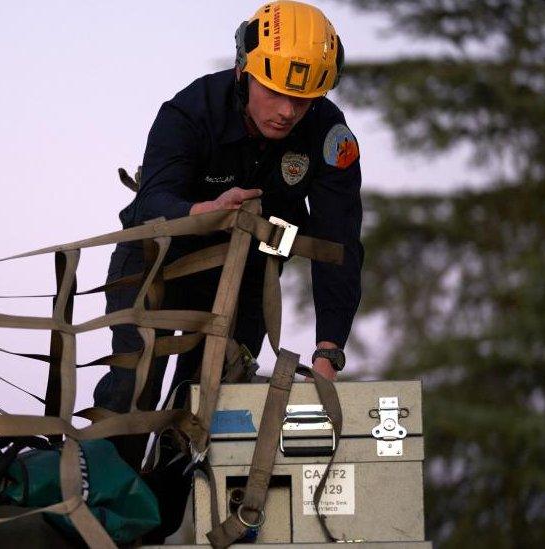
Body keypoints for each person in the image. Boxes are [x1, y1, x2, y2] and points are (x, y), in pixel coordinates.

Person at [94, 0, 363, 468]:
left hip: (244, 277)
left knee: (207, 408)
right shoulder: (189, 110)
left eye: (302, 100)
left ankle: (161, 522)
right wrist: (206, 210)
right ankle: (98, 506)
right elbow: (151, 203)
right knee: (133, 388)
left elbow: (337, 246)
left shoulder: (329, 137)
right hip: (156, 262)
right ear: (244, 69)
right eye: (274, 92)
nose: (287, 111)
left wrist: (328, 353)